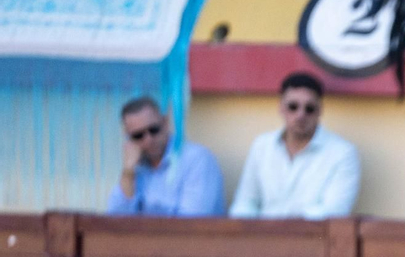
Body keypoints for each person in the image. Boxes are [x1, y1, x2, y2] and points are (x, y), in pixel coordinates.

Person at [230, 72, 361, 220]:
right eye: (293, 107)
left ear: (320, 110)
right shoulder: (261, 146)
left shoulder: (342, 153)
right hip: (262, 233)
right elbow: (245, 203)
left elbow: (334, 211)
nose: (300, 115)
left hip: (312, 235)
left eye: (309, 108)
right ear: (281, 108)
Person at [106, 97, 225, 218]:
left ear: (165, 122)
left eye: (154, 130)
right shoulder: (135, 167)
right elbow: (115, 220)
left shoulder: (196, 159)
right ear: (128, 138)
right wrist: (128, 174)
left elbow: (191, 222)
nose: (148, 139)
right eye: (138, 135)